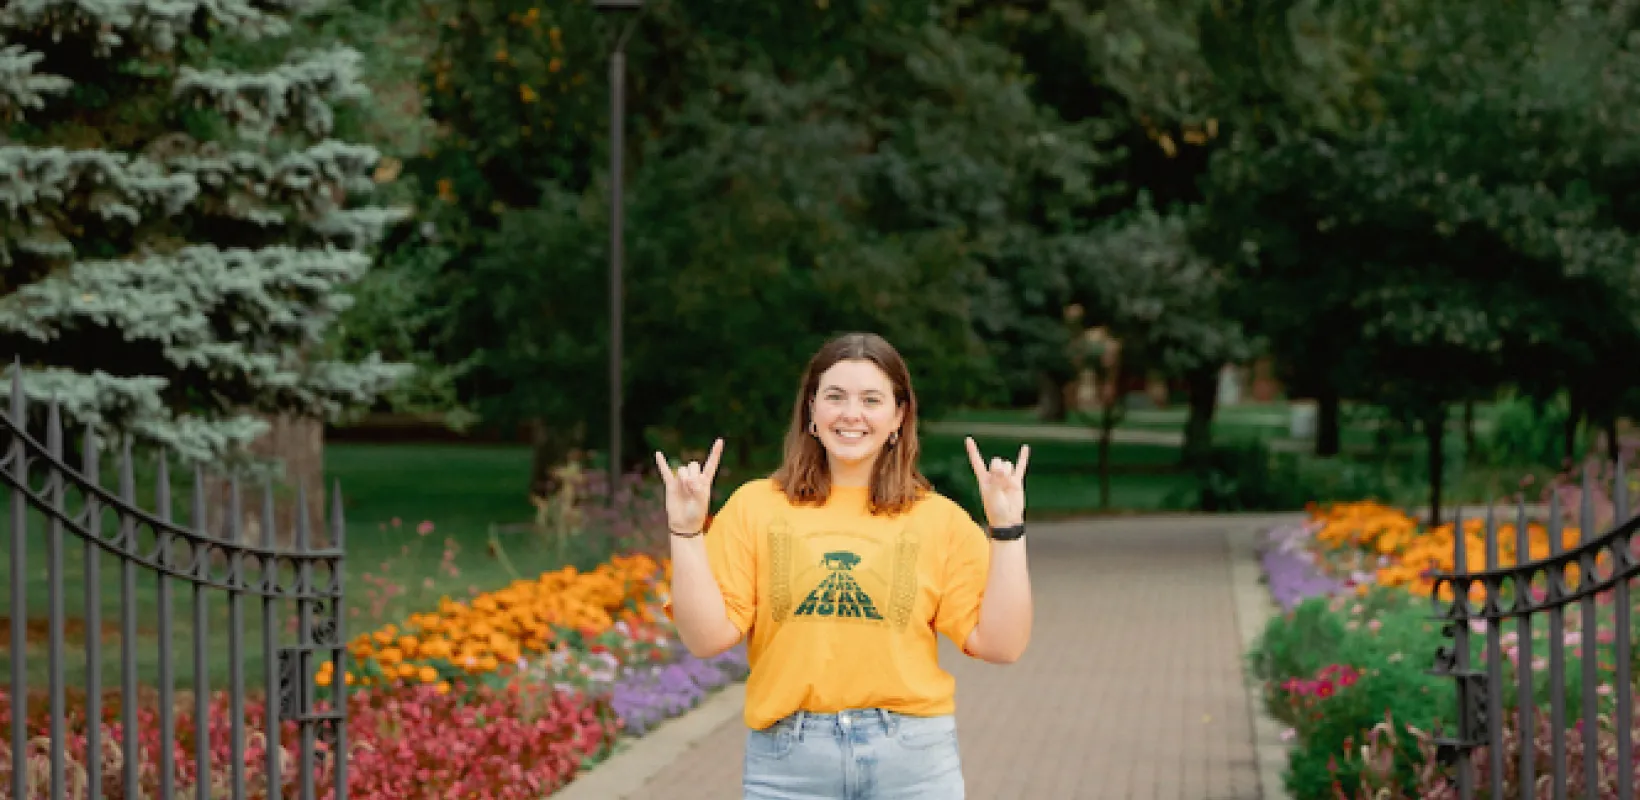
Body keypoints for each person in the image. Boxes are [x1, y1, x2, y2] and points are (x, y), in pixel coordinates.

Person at [655, 332, 1033, 799]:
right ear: (811, 410)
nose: (852, 414)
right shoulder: (755, 507)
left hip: (911, 764)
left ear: (898, 416)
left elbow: (1002, 645)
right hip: (789, 767)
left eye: (871, 400)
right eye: (835, 397)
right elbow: (706, 638)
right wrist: (686, 532)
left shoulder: (940, 520)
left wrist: (1007, 528)